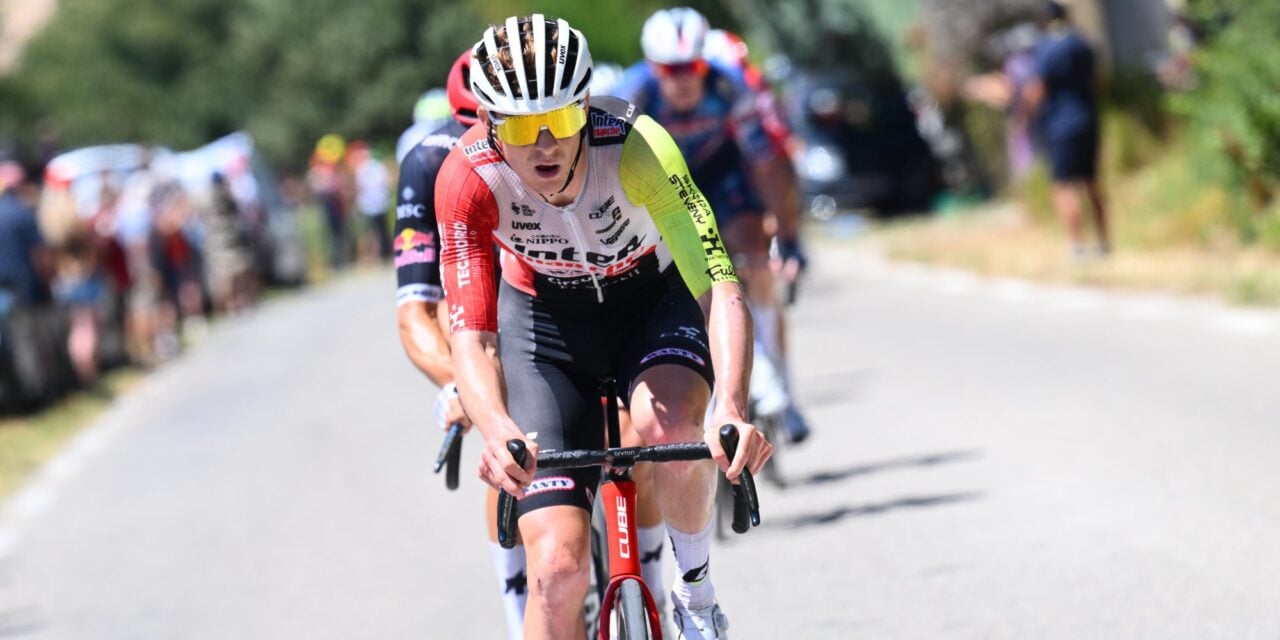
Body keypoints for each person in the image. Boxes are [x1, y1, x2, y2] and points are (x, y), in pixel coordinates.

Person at [437, 15, 771, 639]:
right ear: (486, 121)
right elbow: (474, 334)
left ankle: (695, 593)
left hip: (648, 302)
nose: (543, 145)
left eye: (561, 120)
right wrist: (497, 427)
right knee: (558, 569)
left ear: (586, 107)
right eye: (517, 125)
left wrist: (729, 406)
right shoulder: (465, 178)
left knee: (670, 426)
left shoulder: (638, 145)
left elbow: (718, 285)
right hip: (543, 328)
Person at [397, 51, 672, 638]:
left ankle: (650, 578)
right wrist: (461, 389)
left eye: (548, 123)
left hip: (576, 289)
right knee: (507, 457)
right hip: (493, 311)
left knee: (633, 431)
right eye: (506, 129)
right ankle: (519, 605)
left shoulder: (585, 145)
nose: (530, 150)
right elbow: (421, 309)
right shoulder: (434, 163)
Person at [616, 8, 810, 443]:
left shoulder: (729, 86)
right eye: (671, 70)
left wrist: (788, 237)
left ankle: (781, 388)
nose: (684, 80)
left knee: (754, 258)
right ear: (652, 67)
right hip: (659, 182)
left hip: (722, 174)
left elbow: (767, 165)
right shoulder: (631, 94)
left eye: (694, 68)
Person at [1024, 0, 1110, 258]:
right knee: (1092, 183)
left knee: (1064, 187)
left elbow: (1038, 89)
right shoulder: (1082, 43)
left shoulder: (1045, 48)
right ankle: (1104, 242)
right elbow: (1097, 81)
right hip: (1087, 119)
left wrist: (1026, 114)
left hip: (1060, 126)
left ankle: (1077, 246)